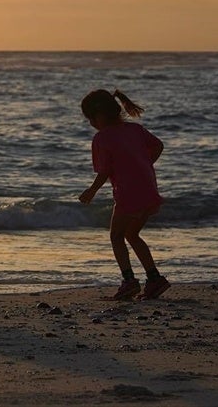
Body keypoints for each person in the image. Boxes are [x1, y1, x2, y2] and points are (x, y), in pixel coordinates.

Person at [78, 89, 170, 301]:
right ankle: (154, 279)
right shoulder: (135, 129)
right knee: (132, 234)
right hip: (148, 190)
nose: (91, 123)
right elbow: (158, 145)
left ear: (100, 115)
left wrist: (91, 191)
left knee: (116, 236)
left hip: (129, 194)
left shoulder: (102, 138)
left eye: (91, 118)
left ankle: (129, 281)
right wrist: (143, 164)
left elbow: (105, 171)